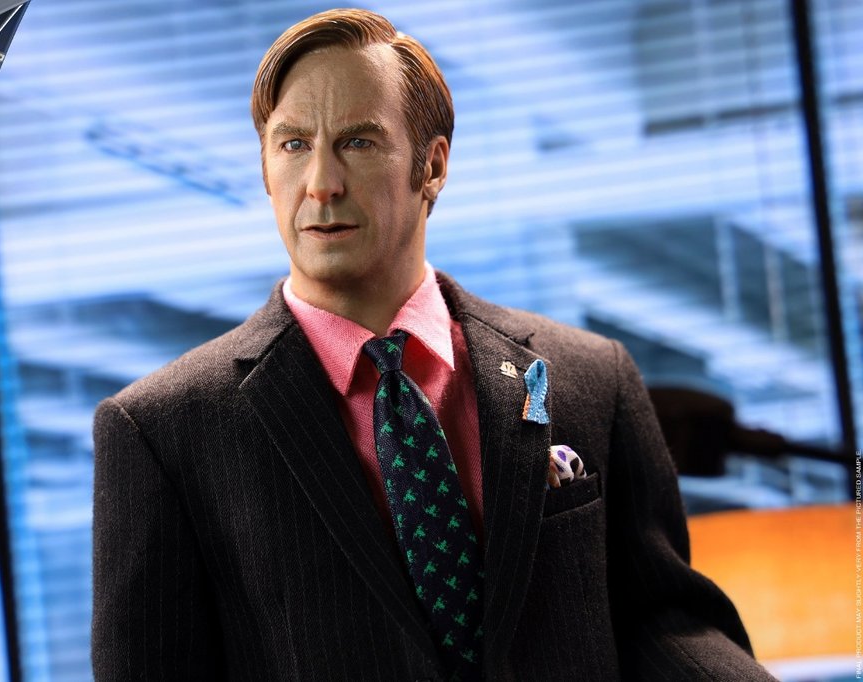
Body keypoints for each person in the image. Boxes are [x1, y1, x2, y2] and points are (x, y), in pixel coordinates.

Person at [92, 8, 776, 681]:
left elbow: (659, 621)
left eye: (358, 142)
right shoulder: (163, 432)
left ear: (433, 166)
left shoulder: (590, 377)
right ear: (267, 168)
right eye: (293, 144)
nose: (321, 183)